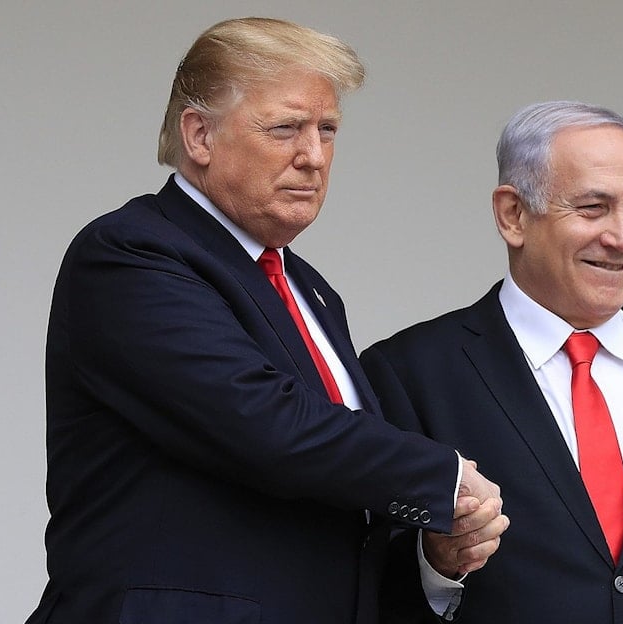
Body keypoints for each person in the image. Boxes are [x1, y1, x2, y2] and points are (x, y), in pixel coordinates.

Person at [25, 17, 506, 624]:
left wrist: (435, 554)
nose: (313, 157)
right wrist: (443, 479)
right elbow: (264, 423)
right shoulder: (129, 254)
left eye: (327, 130)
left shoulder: (310, 291)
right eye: (285, 129)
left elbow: (335, 507)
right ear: (199, 135)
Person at [360, 101, 623, 622]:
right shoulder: (407, 373)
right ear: (513, 215)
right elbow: (369, 589)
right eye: (593, 208)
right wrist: (439, 563)